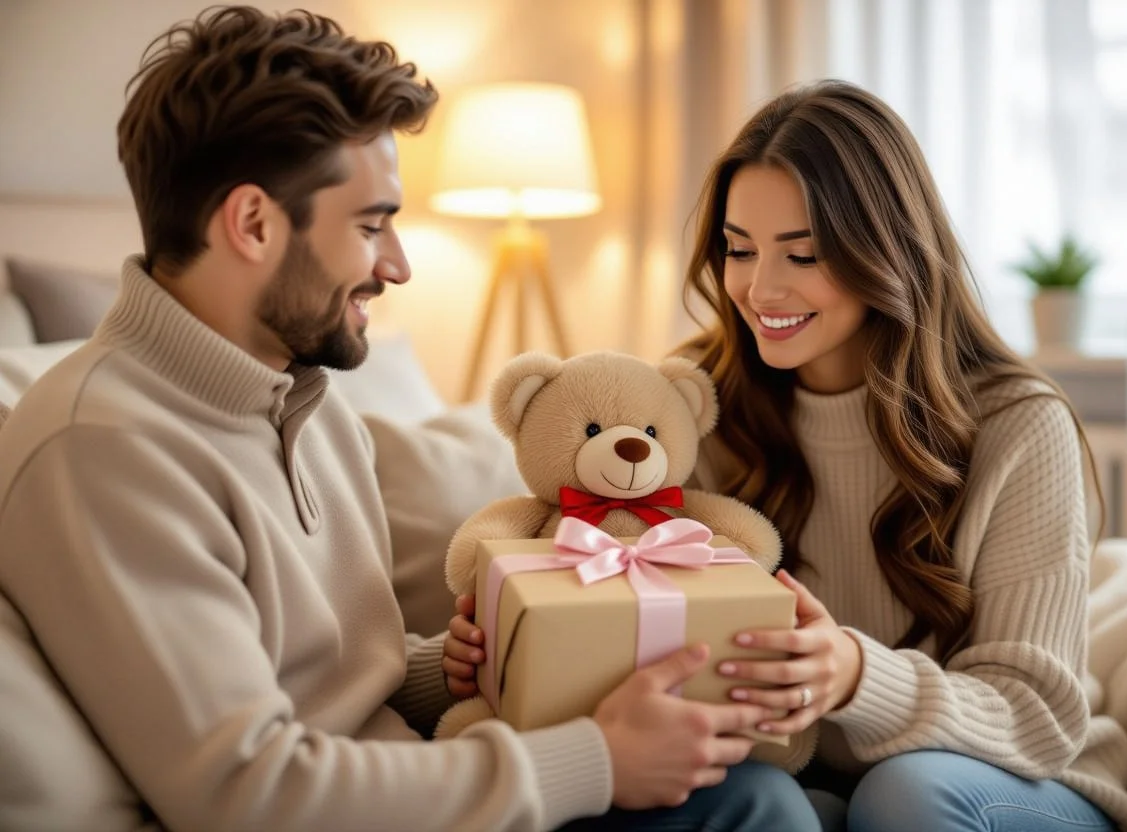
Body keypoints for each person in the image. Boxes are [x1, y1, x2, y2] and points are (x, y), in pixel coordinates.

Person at [0, 7, 821, 831]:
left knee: (774, 791)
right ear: (251, 223)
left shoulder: (309, 405)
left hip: (417, 781)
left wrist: (466, 667)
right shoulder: (105, 448)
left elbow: (352, 686)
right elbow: (247, 793)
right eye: (371, 225)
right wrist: (599, 759)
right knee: (760, 808)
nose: (397, 264)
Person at [442, 80, 1127, 831]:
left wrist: (854, 676)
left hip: (1009, 782)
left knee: (902, 795)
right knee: (761, 803)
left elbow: (1036, 717)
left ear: (887, 251)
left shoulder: (1014, 424)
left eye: (803, 254)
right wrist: (506, 649)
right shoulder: (693, 406)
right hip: (802, 780)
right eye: (739, 250)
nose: (760, 288)